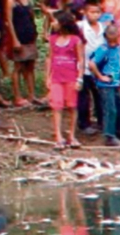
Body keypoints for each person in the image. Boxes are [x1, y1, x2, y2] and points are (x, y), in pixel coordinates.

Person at [47, 9, 83, 146]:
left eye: (55, 20)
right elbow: (50, 58)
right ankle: (58, 136)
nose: (53, 23)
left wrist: (79, 78)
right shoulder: (53, 39)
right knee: (57, 106)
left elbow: (80, 60)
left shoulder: (76, 40)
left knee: (72, 106)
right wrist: (48, 77)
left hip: (71, 78)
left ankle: (72, 135)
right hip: (56, 78)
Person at [89, 22, 120, 144]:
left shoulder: (119, 48)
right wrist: (100, 76)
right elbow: (92, 63)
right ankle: (109, 135)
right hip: (106, 85)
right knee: (110, 109)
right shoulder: (103, 49)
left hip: (115, 83)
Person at [77, 0, 104, 134]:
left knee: (99, 95)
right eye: (92, 12)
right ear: (85, 12)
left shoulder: (103, 27)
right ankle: (84, 123)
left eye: (97, 12)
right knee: (84, 97)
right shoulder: (79, 26)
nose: (95, 15)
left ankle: (102, 121)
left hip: (99, 67)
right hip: (83, 67)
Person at [6, 0, 35, 104]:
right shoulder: (11, 2)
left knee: (30, 66)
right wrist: (14, 39)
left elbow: (31, 18)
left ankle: (32, 95)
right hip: (19, 36)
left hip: (29, 35)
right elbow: (9, 21)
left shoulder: (28, 2)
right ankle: (17, 96)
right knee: (18, 66)